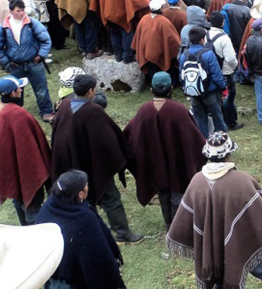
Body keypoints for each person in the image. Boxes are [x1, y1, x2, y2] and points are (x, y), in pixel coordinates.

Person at [168, 131, 262, 289]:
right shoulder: (242, 180)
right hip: (245, 243)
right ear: (229, 154)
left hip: (212, 246)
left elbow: (185, 220)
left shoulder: (196, 181)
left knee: (220, 277)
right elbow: (261, 214)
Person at [51, 74, 144, 243]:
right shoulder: (92, 111)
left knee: (83, 199)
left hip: (73, 163)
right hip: (94, 164)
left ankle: (93, 229)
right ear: (90, 92)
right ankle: (123, 233)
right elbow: (108, 140)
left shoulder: (64, 105)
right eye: (95, 88)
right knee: (111, 198)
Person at [124, 72, 206, 229]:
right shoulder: (179, 110)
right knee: (178, 191)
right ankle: (179, 226)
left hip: (155, 162)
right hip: (178, 161)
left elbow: (130, 135)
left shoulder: (144, 111)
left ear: (151, 90)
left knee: (163, 191)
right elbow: (195, 138)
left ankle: (170, 224)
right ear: (171, 89)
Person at [35, 170, 126, 289]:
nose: (88, 186)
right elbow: (98, 259)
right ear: (80, 194)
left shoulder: (47, 207)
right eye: (86, 185)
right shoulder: (84, 219)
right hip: (75, 282)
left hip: (53, 276)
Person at [0, 75, 51, 225]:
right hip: (25, 168)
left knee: (18, 198)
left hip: (11, 167)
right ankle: (34, 232)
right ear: (13, 93)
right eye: (19, 88)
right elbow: (29, 148)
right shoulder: (18, 114)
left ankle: (24, 227)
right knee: (32, 206)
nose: (21, 90)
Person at [0, 0, 54, 122]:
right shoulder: (4, 27)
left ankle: (46, 111)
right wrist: (7, 62)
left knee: (41, 89)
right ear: (11, 11)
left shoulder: (32, 22)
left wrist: (40, 55)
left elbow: (46, 40)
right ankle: (16, 114)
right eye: (18, 11)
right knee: (15, 92)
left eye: (23, 10)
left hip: (33, 63)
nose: (22, 13)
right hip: (16, 66)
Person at [179, 27, 228, 138]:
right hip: (210, 92)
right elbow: (217, 75)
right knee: (218, 119)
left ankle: (203, 145)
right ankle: (222, 145)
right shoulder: (208, 54)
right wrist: (223, 88)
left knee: (200, 120)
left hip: (194, 93)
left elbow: (181, 76)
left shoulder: (184, 55)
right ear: (202, 39)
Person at [208, 12, 243, 131]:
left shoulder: (207, 34)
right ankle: (230, 122)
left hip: (213, 71)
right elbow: (231, 58)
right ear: (222, 22)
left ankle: (220, 119)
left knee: (218, 96)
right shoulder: (224, 38)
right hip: (226, 72)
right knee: (228, 97)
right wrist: (235, 66)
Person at [131, 0, 181, 82]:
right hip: (160, 52)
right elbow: (174, 40)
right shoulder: (164, 21)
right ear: (161, 8)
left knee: (152, 69)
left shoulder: (144, 19)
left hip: (147, 52)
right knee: (167, 64)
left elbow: (138, 36)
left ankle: (152, 82)